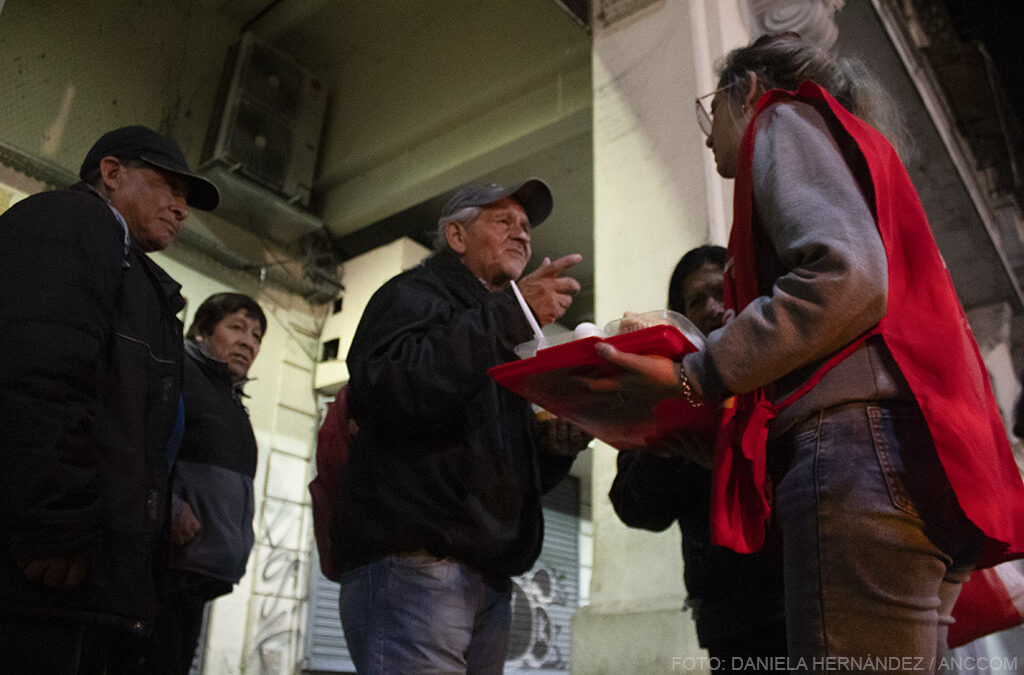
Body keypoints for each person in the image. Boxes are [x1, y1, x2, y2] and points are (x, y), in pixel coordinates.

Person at [593, 33, 1024, 669]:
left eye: (713, 111)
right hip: (925, 462)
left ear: (745, 92)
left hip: (859, 454)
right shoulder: (857, 151)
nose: (710, 136)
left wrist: (695, 374)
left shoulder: (783, 118)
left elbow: (843, 277)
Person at [333, 178, 590, 674]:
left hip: (487, 580)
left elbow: (487, 462)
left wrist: (553, 449)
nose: (522, 235)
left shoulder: (494, 330)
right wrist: (512, 314)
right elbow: (393, 389)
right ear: (456, 236)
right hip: (416, 572)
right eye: (503, 221)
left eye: (526, 227)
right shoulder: (411, 294)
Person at [0, 125, 219, 673]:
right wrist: (55, 523)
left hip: (85, 569)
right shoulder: (70, 221)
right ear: (112, 172)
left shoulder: (123, 262)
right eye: (170, 186)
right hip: (43, 569)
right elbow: (38, 375)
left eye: (187, 198)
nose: (182, 208)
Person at [608, 245, 786, 672]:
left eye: (719, 292)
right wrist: (670, 449)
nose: (710, 307)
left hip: (799, 590)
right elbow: (638, 509)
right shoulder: (664, 387)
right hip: (729, 613)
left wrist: (732, 465)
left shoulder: (782, 363)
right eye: (694, 301)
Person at [143, 293, 266, 674]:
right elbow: (140, 440)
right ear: (201, 330)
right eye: (236, 327)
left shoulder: (228, 398)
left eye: (257, 335)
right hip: (160, 565)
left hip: (195, 571)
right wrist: (171, 506)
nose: (248, 341)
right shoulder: (177, 372)